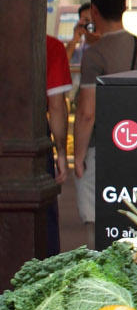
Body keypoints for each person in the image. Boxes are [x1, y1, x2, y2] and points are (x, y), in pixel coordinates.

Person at [72, 0, 137, 227]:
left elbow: (87, 113)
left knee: (98, 226)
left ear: (95, 11)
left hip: (102, 148)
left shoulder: (95, 54)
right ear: (125, 7)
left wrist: (78, 157)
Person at [45, 33, 72, 254]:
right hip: (32, 135)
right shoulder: (50, 46)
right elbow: (56, 106)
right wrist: (60, 152)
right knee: (43, 217)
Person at [66, 3, 93, 68]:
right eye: (81, 20)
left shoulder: (104, 47)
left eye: (87, 20)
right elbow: (61, 65)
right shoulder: (79, 49)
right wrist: (74, 40)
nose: (82, 23)